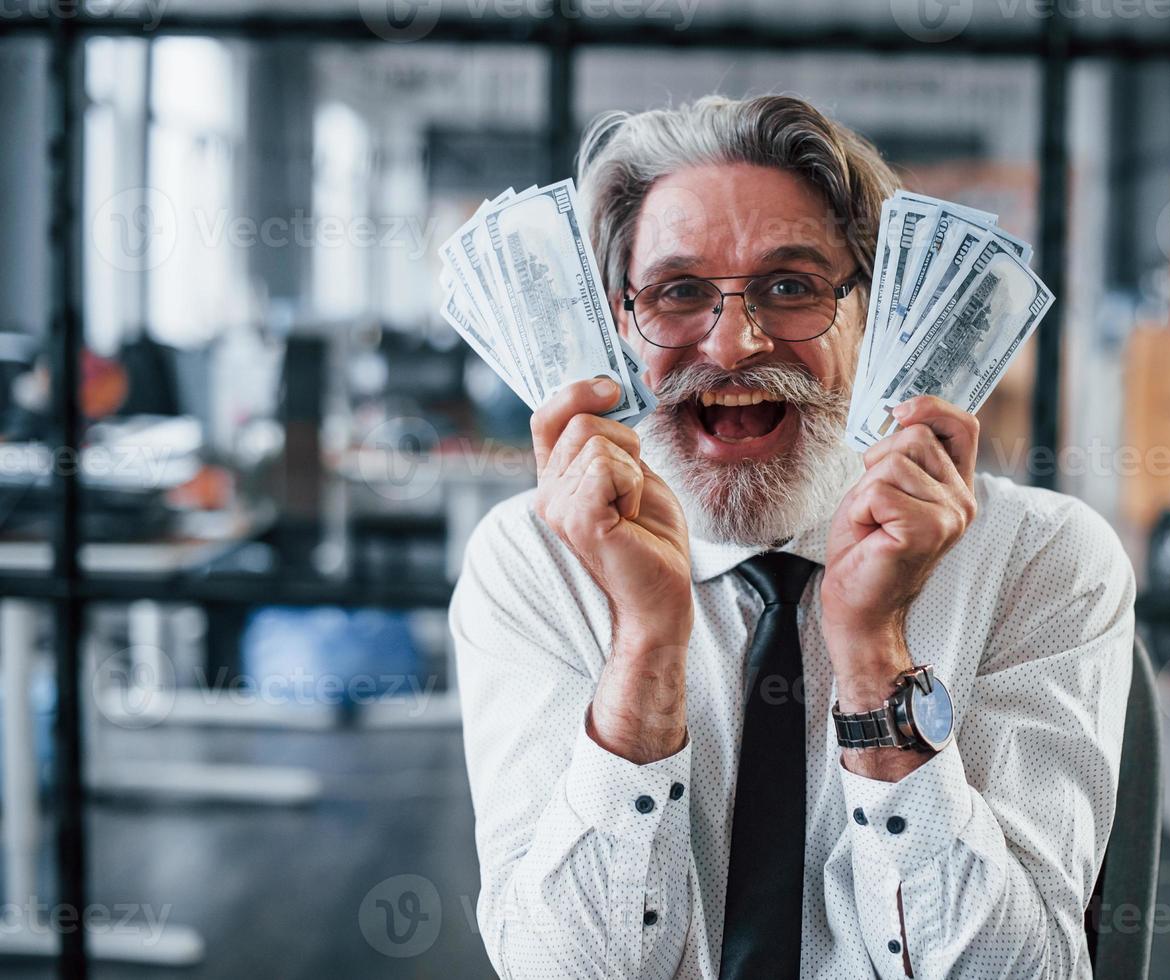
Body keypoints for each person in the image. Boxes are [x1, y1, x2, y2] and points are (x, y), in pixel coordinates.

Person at [452, 94, 1135, 980]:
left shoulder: (1042, 559)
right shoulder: (533, 560)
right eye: (679, 291)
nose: (734, 344)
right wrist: (646, 648)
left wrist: (875, 655)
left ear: (877, 311)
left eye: (791, 286)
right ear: (618, 325)